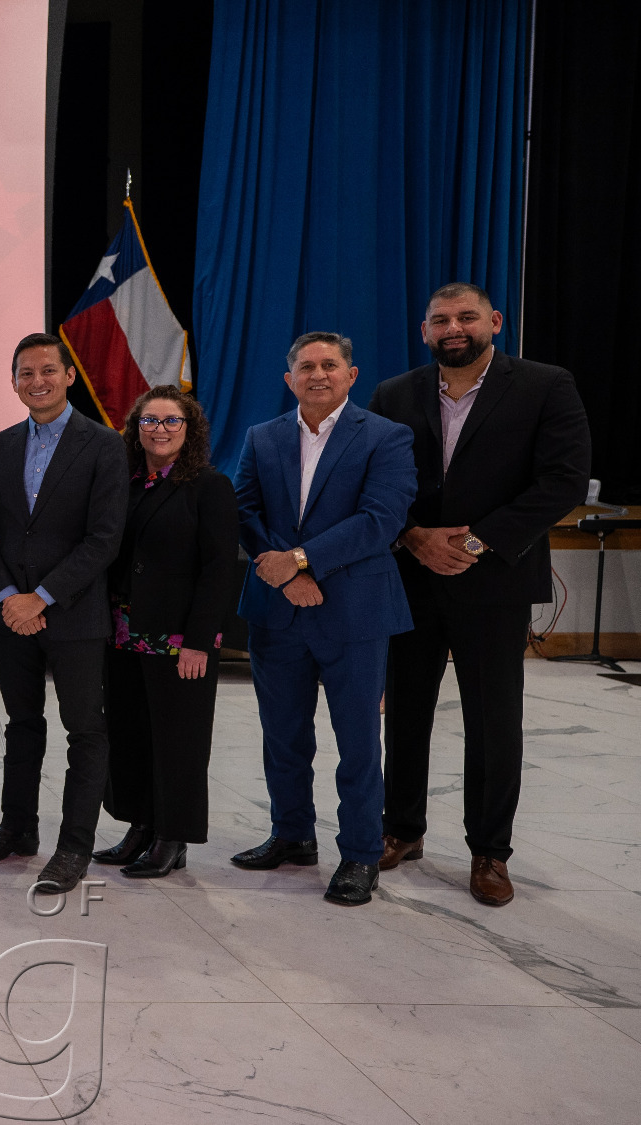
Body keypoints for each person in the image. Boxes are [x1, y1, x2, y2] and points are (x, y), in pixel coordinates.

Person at [368, 283, 591, 907]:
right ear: (424, 331)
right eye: (441, 319)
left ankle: (490, 852)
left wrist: (477, 542)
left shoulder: (546, 385)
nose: (454, 328)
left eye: (466, 316)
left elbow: (564, 479)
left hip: (494, 582)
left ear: (493, 321)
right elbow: (379, 481)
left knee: (493, 722)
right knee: (406, 712)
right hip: (411, 579)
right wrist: (412, 536)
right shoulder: (394, 394)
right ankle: (402, 830)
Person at [231, 332, 417, 907]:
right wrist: (288, 573)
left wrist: (304, 559)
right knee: (283, 736)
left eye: (329, 364)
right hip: (277, 613)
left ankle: (360, 854)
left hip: (356, 612)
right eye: (306, 366)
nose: (318, 374)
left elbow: (380, 519)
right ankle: (292, 835)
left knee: (358, 740)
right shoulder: (262, 438)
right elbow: (242, 509)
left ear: (351, 375)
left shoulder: (386, 437)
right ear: (289, 380)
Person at [0, 333, 126, 894]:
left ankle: (74, 846)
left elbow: (104, 540)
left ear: (69, 375)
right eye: (26, 373)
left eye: (48, 371)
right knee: (22, 725)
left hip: (73, 615)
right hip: (12, 617)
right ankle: (17, 829)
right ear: (13, 383)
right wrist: (11, 598)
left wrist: (42, 597)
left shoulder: (104, 445)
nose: (38, 381)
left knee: (85, 730)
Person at [92, 387, 238, 878]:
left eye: (171, 421)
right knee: (131, 737)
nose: (159, 429)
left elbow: (218, 570)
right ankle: (140, 827)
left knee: (178, 743)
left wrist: (200, 641)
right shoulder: (124, 484)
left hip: (180, 643)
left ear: (189, 429)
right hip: (123, 635)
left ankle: (172, 838)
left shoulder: (209, 487)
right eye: (149, 420)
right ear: (136, 429)